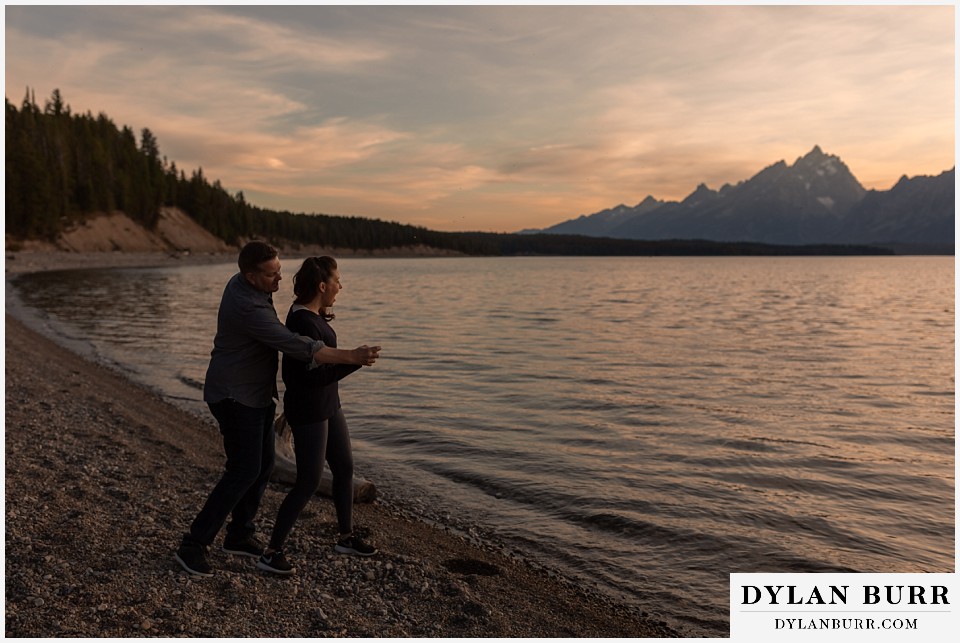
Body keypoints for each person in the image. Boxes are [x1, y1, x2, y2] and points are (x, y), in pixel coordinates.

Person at [175, 241, 380, 577]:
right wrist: (352, 357)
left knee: (264, 465)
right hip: (233, 395)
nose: (280, 280)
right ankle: (193, 544)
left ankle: (240, 534)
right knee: (243, 470)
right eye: (272, 275)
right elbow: (296, 345)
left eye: (280, 271)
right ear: (250, 275)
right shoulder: (248, 308)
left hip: (256, 395)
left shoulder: (244, 282)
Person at [256, 256, 377, 576]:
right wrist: (355, 361)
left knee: (345, 468)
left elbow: (322, 374)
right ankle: (271, 551)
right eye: (337, 280)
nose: (341, 286)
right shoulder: (302, 322)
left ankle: (346, 537)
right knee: (308, 481)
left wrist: (352, 362)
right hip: (309, 409)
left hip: (328, 404)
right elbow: (308, 380)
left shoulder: (313, 315)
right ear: (322, 286)